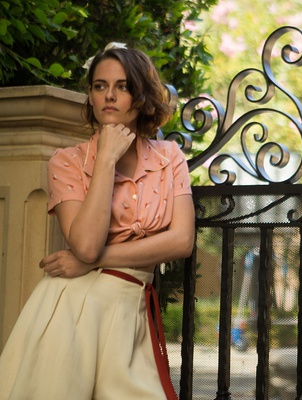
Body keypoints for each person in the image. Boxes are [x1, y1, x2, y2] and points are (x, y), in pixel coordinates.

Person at [0, 43, 195, 399]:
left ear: (141, 97)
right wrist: (105, 159)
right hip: (72, 308)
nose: (109, 96)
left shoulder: (169, 158)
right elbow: (86, 245)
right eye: (100, 86)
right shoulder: (67, 161)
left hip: (130, 305)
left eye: (123, 86)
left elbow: (181, 241)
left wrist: (92, 262)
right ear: (89, 96)